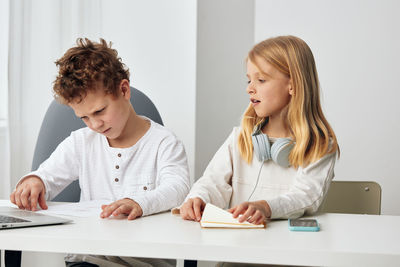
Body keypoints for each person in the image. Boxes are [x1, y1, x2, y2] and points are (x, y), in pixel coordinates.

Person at [10, 38, 190, 267]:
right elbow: (48, 175)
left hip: (142, 262)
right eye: (84, 117)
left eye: (100, 111)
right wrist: (36, 181)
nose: (94, 124)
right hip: (89, 260)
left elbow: (177, 189)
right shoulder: (81, 143)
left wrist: (140, 202)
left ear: (123, 90)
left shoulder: (164, 143)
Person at [180, 35, 339, 227]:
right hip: (240, 247)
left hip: (288, 251)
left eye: (261, 80)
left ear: (293, 85)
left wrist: (265, 207)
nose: (250, 89)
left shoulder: (319, 146)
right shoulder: (240, 138)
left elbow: (306, 197)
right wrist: (198, 197)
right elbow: (212, 182)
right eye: (248, 80)